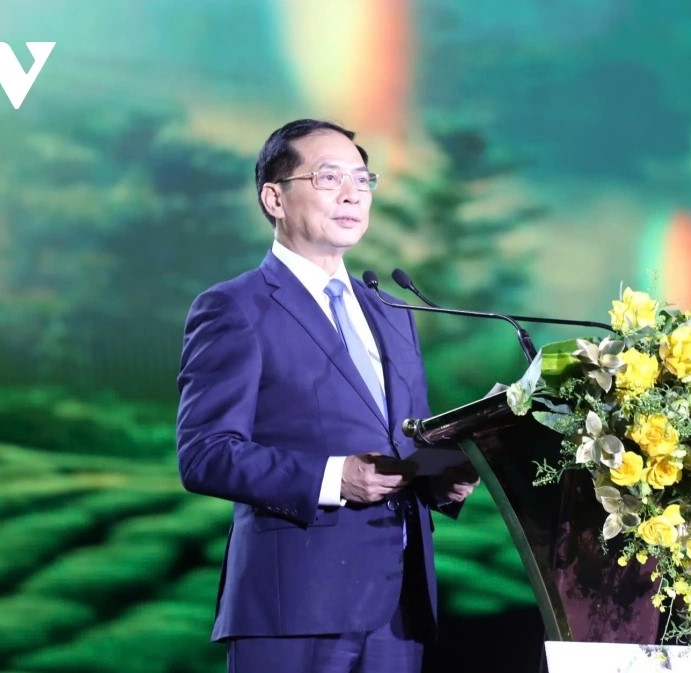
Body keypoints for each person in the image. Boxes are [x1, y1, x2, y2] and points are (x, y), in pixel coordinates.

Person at [175, 118, 480, 673]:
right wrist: (335, 478)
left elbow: (407, 441)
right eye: (328, 177)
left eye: (363, 180)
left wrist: (447, 476)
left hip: (399, 611)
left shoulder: (392, 311)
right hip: (294, 604)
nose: (352, 193)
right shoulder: (236, 308)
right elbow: (205, 455)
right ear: (275, 198)